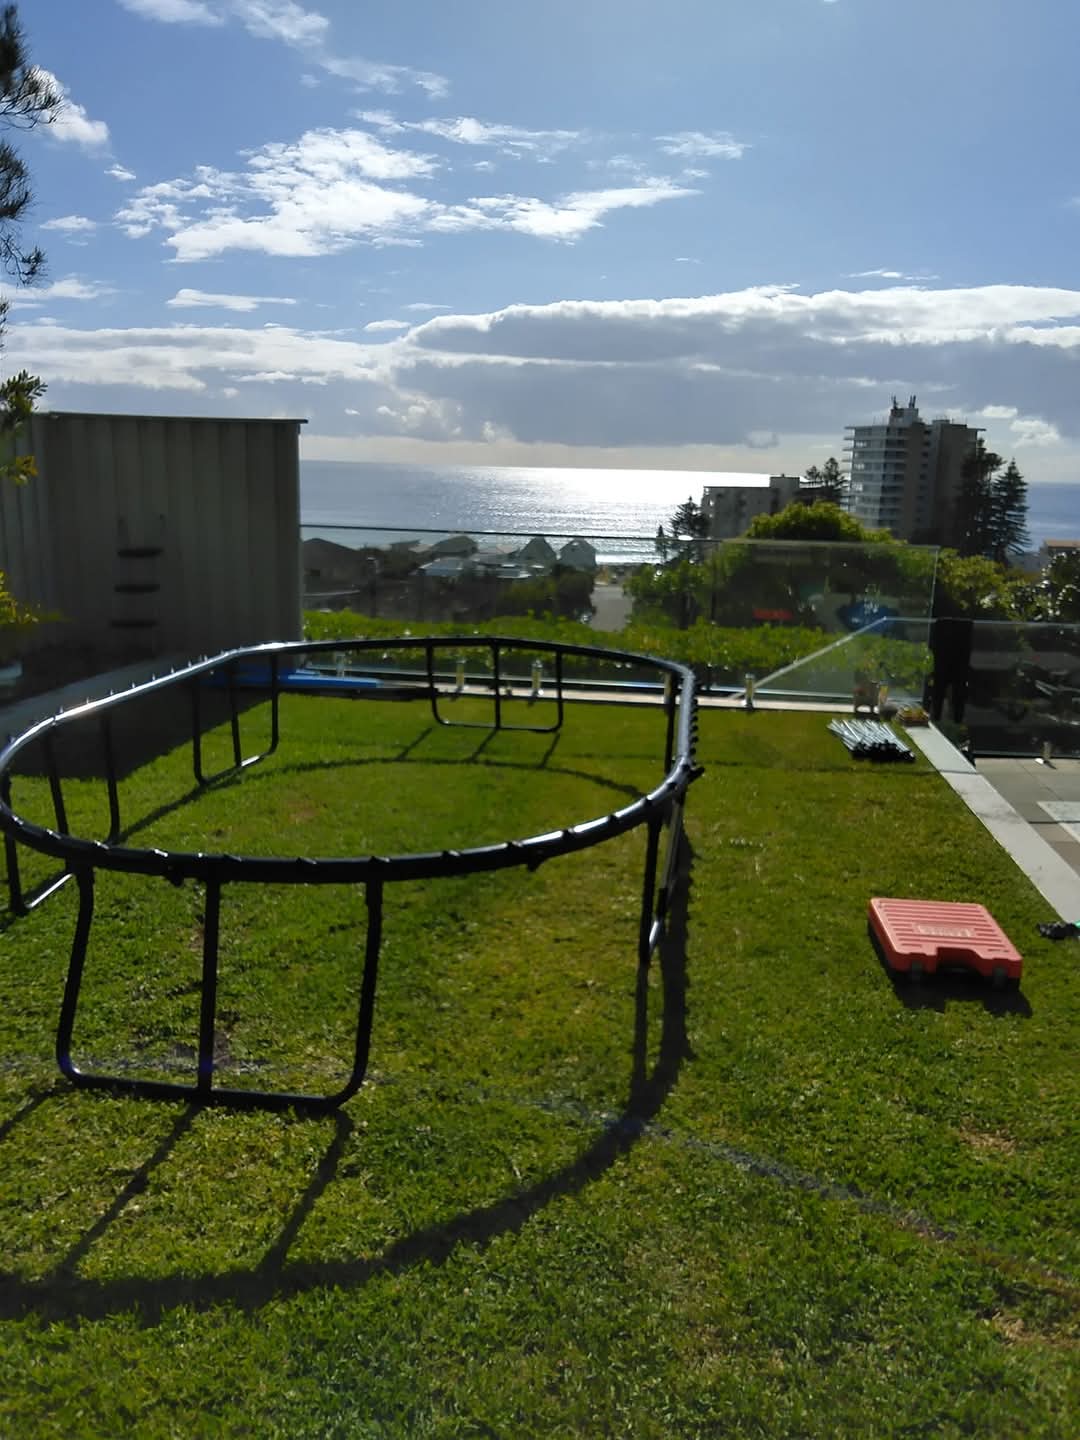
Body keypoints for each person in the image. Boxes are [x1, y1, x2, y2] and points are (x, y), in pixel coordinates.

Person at [929, 616, 974, 723]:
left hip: (949, 651)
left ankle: (943, 717)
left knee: (946, 687)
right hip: (954, 650)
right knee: (946, 687)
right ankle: (945, 717)